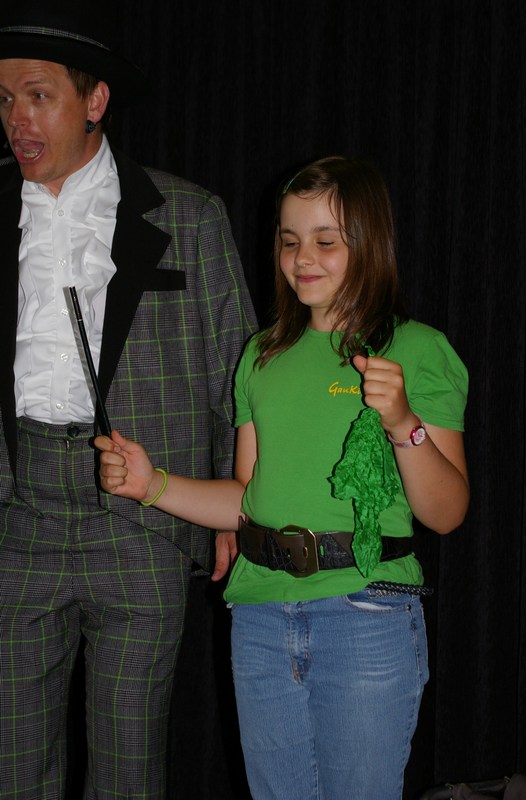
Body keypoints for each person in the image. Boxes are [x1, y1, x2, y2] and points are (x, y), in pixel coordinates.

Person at [97, 156, 470, 800]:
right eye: (290, 241)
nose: (303, 259)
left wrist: (404, 424)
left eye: (327, 241)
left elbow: (447, 512)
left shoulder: (417, 349)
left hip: (365, 612)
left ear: (370, 244)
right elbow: (247, 501)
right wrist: (150, 483)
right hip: (262, 618)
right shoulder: (261, 355)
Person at [0, 4, 256, 798]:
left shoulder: (189, 215)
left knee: (128, 772)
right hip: (15, 517)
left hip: (143, 516)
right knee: (12, 769)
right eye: (4, 99)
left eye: (38, 95)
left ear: (95, 101)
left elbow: (236, 376)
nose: (17, 118)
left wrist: (234, 507)